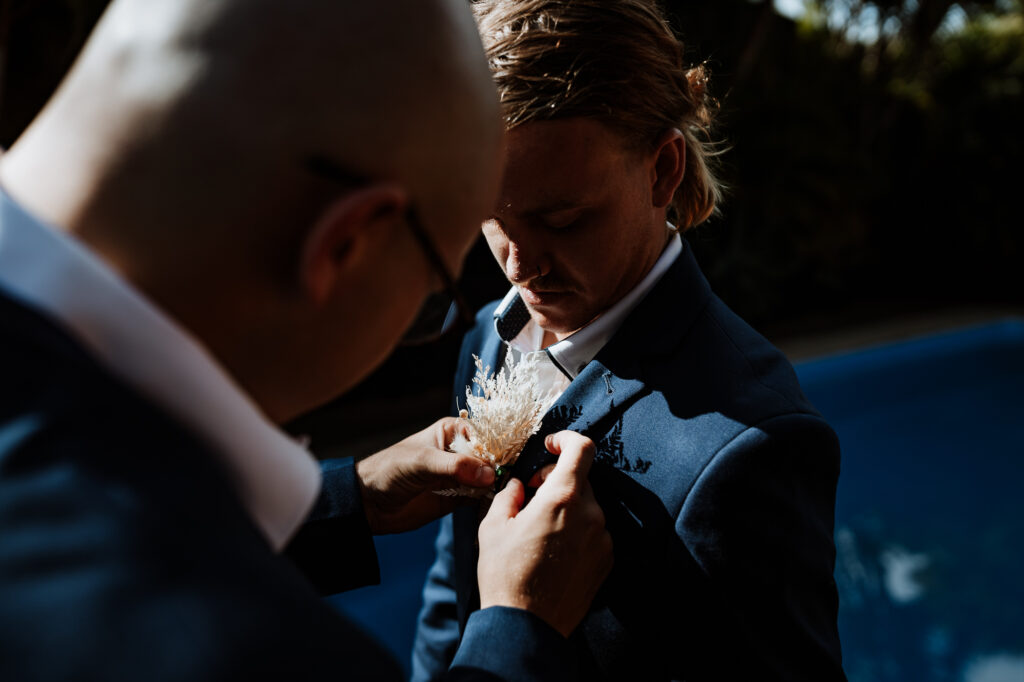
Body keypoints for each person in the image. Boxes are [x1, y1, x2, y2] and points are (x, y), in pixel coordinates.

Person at [0, 0, 613, 680]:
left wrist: (352, 501)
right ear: (347, 244)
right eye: (436, 288)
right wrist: (517, 638)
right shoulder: (251, 653)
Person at [412, 1, 846, 680]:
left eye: (564, 217)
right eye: (491, 214)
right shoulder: (483, 339)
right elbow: (453, 598)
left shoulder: (754, 444)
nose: (520, 266)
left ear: (663, 170)